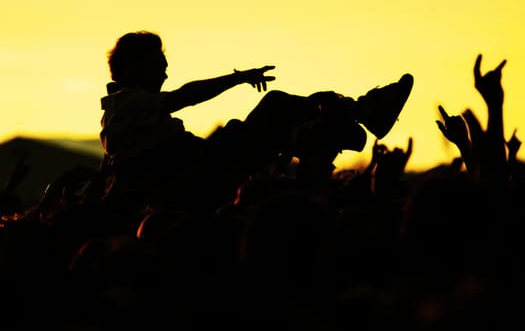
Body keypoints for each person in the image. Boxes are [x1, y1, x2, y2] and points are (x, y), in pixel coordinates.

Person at [99, 30, 414, 215]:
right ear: (132, 66)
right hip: (201, 174)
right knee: (276, 105)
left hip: (200, 167)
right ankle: (359, 114)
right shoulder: (127, 103)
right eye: (158, 66)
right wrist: (238, 79)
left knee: (289, 113)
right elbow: (186, 95)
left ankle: (353, 116)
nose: (165, 74)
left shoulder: (121, 116)